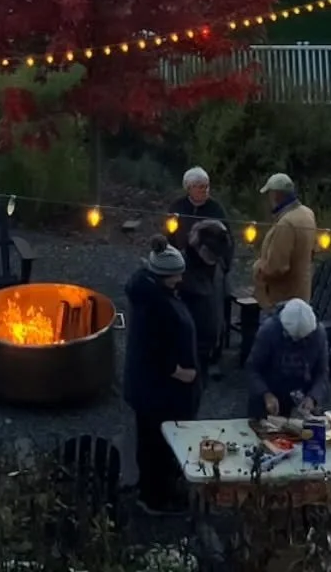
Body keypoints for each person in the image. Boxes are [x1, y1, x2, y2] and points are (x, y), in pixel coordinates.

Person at [122, 236, 199, 515]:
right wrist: (179, 372)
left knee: (156, 441)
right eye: (176, 274)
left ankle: (161, 488)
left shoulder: (154, 292)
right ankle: (154, 498)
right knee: (155, 444)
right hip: (156, 390)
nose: (181, 278)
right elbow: (152, 348)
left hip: (154, 388)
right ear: (164, 275)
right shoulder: (153, 305)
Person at [245, 297, 329, 420]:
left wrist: (313, 397)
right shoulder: (268, 331)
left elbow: (322, 372)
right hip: (269, 396)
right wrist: (265, 394)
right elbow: (253, 368)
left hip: (302, 399)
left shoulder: (319, 334)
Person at [252, 173, 317, 314]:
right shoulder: (307, 213)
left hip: (282, 300)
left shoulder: (286, 223)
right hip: (302, 295)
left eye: (269, 194)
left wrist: (258, 268)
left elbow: (277, 267)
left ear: (276, 195)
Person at [178, 218, 231, 387]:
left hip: (209, 344)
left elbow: (220, 300)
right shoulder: (181, 270)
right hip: (188, 347)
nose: (214, 258)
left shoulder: (218, 265)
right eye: (211, 254)